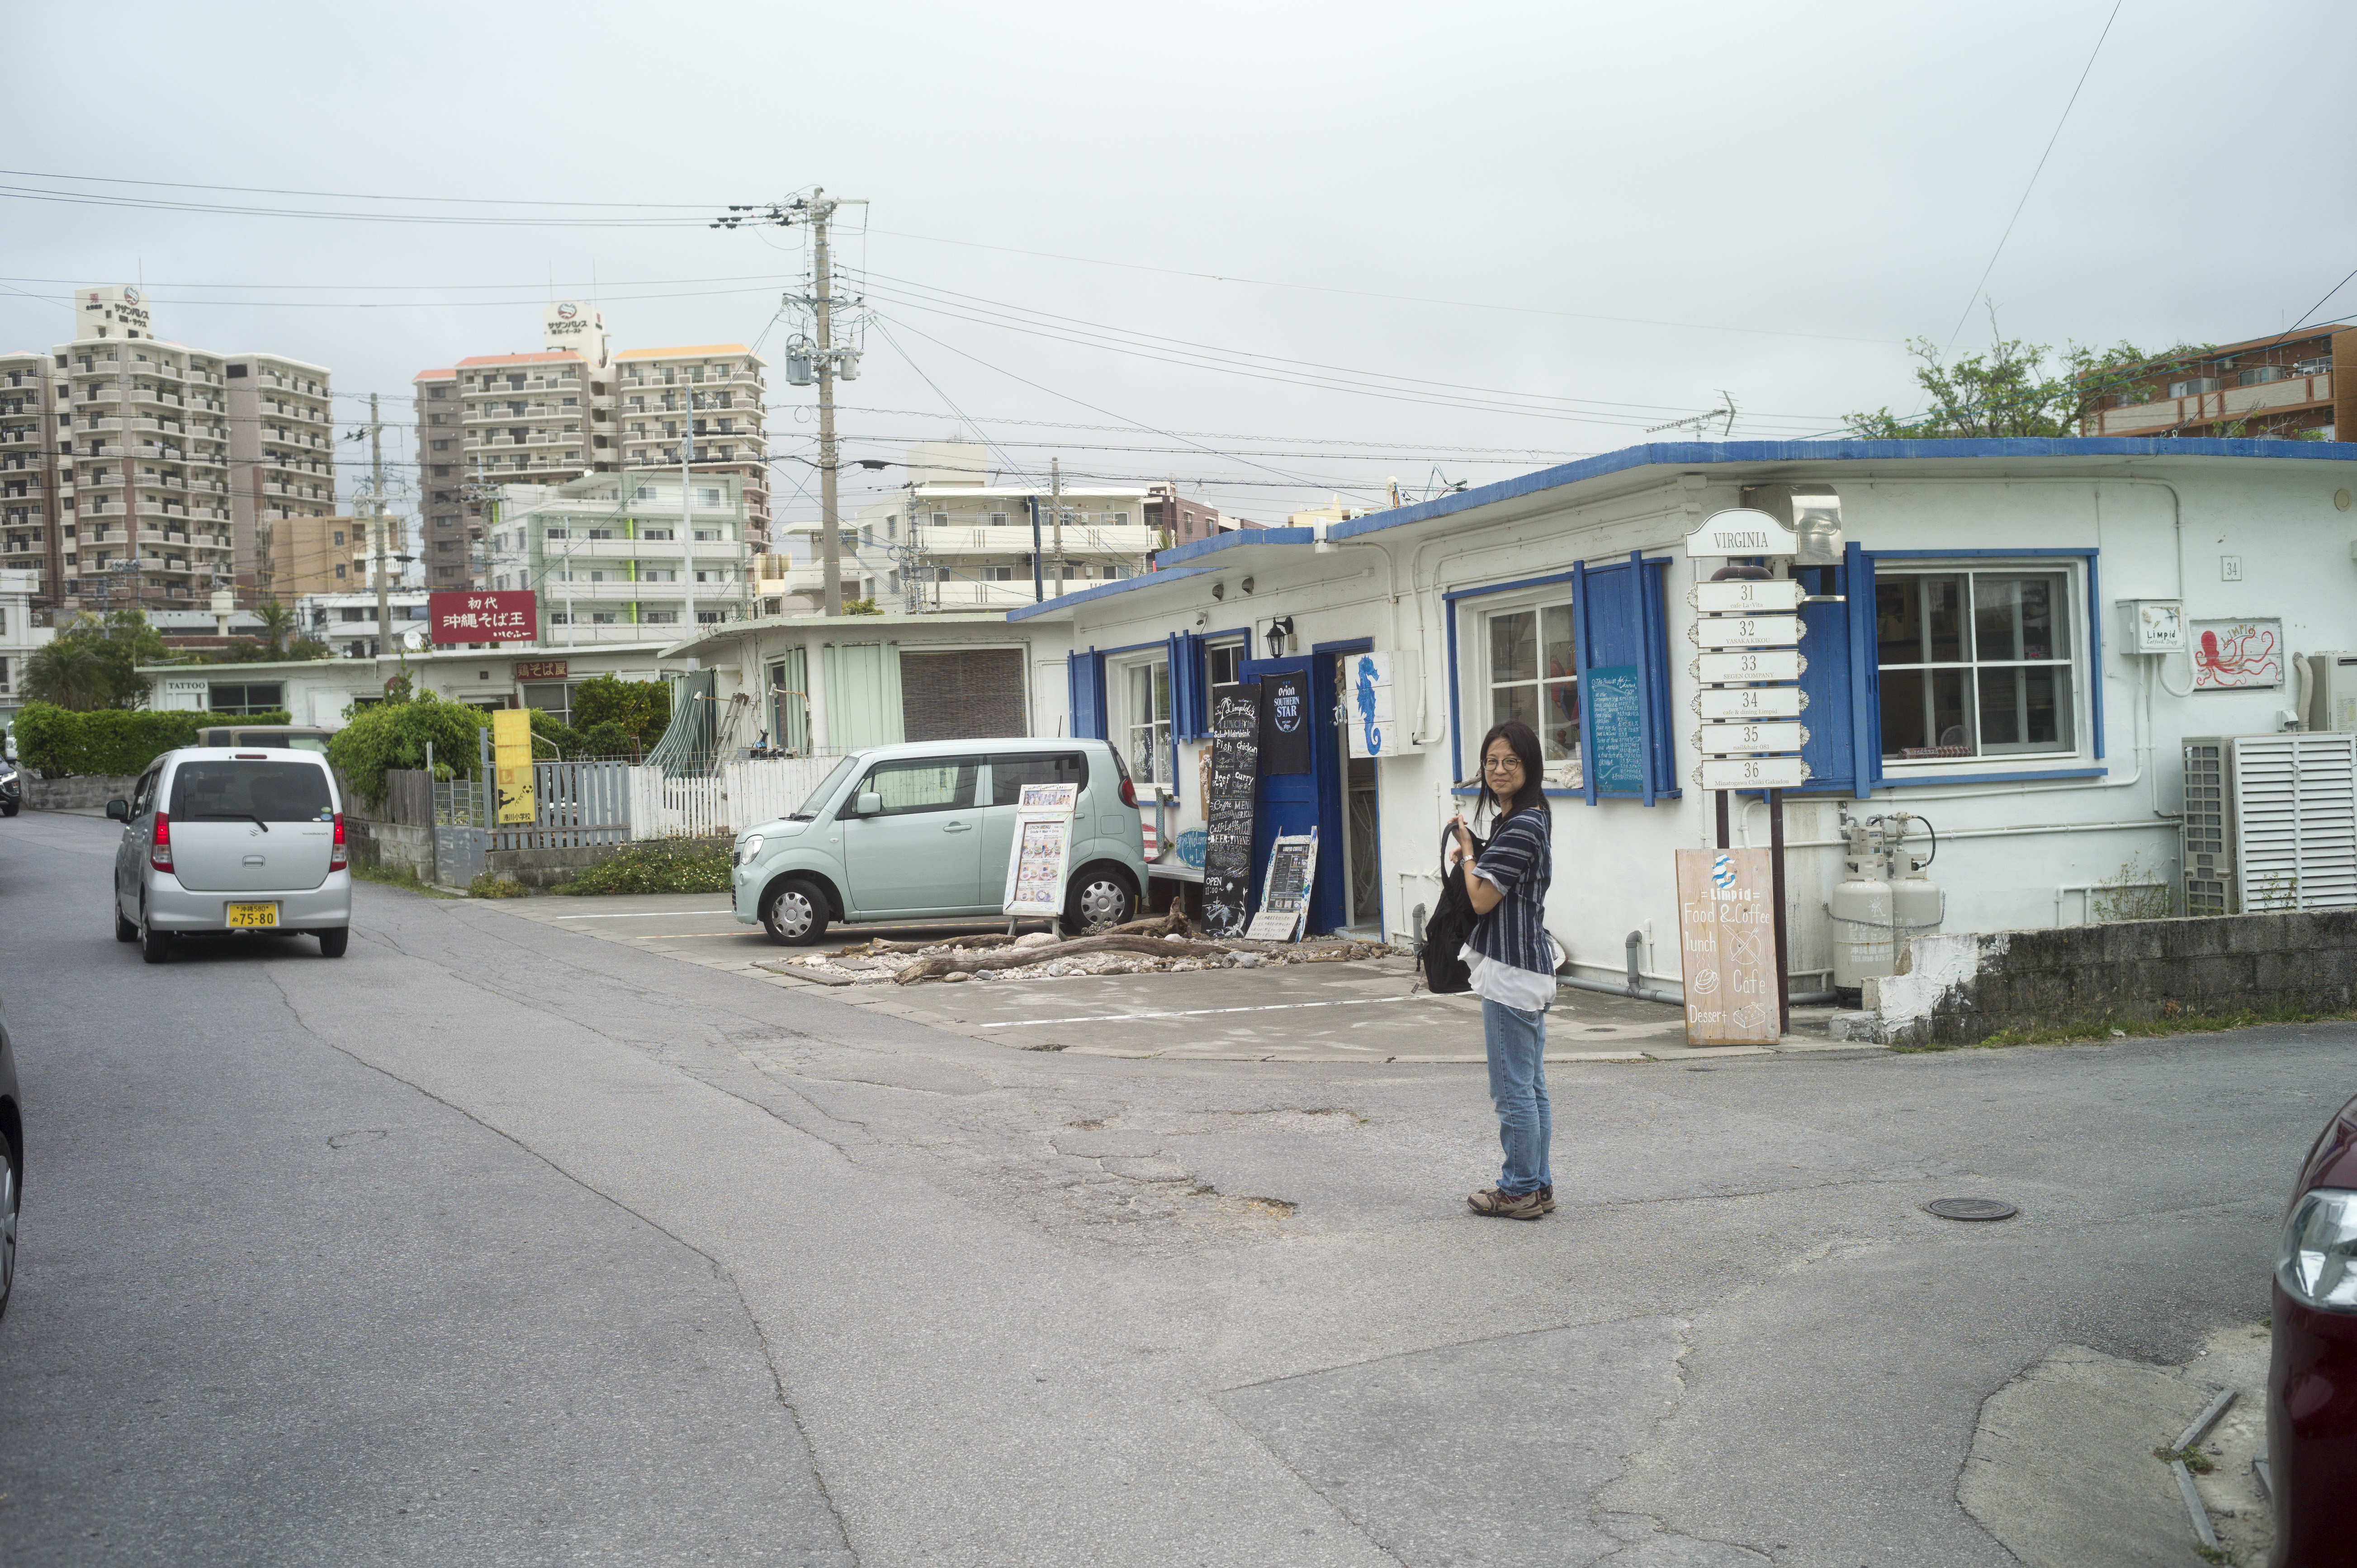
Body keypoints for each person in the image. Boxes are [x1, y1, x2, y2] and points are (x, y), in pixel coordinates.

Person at [1448, 720, 1556, 1220]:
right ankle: (1539, 1185)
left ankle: (1518, 1190)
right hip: (1526, 966)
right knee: (1530, 1087)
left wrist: (1469, 854)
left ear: (1530, 766)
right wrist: (1475, 854)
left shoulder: (1522, 825)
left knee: (1513, 1090)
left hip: (1511, 971)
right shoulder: (1525, 818)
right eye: (1491, 761)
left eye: (1511, 761)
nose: (1499, 770)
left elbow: (1482, 899)